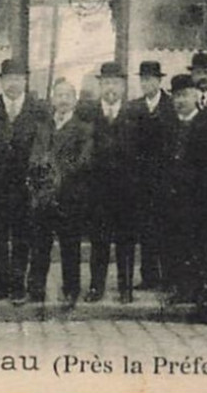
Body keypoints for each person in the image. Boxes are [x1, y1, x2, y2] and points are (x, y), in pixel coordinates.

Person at [0, 57, 47, 302]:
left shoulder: (38, 108)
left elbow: (44, 147)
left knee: (22, 237)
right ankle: (0, 286)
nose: (13, 84)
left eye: (18, 79)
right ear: (1, 82)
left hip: (25, 186)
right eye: (8, 79)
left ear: (26, 81)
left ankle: (18, 285)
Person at [160, 73, 207, 318]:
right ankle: (180, 288)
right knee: (176, 244)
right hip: (173, 198)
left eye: (185, 95)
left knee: (199, 244)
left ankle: (200, 290)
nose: (180, 101)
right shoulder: (167, 125)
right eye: (176, 96)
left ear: (197, 96)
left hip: (200, 199)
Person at [26, 78, 92, 307]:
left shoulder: (83, 129)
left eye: (67, 96)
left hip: (69, 197)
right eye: (59, 95)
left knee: (69, 246)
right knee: (40, 245)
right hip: (44, 197)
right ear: (52, 100)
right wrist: (39, 170)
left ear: (74, 101)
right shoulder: (43, 128)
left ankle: (71, 290)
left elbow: (83, 161)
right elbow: (34, 156)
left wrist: (56, 170)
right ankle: (36, 289)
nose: (63, 100)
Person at [77, 60, 136, 303]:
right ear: (100, 86)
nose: (111, 88)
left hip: (126, 191)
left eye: (116, 83)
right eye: (107, 83)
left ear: (123, 87)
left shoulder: (135, 114)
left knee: (126, 241)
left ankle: (125, 288)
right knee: (99, 241)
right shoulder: (86, 113)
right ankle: (96, 287)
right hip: (97, 190)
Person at [122, 59, 176, 290]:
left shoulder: (171, 106)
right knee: (145, 229)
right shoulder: (133, 107)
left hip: (165, 178)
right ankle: (149, 276)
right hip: (141, 180)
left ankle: (169, 277)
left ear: (159, 80)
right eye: (143, 79)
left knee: (166, 228)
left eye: (151, 79)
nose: (147, 83)